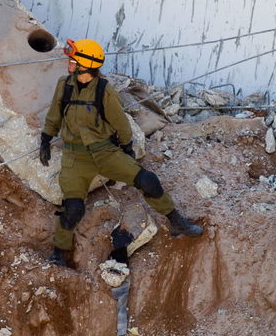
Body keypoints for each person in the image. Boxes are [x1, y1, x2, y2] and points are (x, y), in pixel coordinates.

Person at [38, 38, 202, 268]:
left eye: (73, 60)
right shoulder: (64, 85)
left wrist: (126, 150)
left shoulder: (105, 92)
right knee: (72, 208)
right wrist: (46, 138)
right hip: (75, 158)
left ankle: (177, 222)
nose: (69, 63)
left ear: (86, 64)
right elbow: (54, 115)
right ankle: (59, 253)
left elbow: (121, 124)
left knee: (148, 181)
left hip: (105, 152)